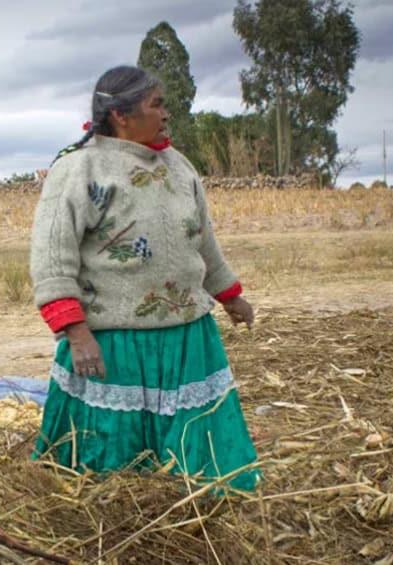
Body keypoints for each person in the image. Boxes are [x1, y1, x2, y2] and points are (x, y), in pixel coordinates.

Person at [29, 66, 259, 490]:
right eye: (157, 104)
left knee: (196, 466)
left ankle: (199, 502)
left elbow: (202, 239)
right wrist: (76, 333)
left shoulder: (178, 166)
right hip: (114, 342)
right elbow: (51, 256)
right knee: (110, 477)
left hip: (187, 338)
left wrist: (229, 296)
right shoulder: (79, 169)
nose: (166, 113)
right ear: (121, 114)